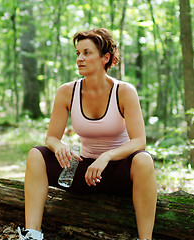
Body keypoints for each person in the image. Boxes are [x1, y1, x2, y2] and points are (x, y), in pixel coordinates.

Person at [18, 28, 157, 240]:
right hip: (85, 173)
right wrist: (59, 146)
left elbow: (139, 141)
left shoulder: (124, 91)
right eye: (77, 53)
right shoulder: (67, 91)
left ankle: (145, 238)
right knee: (36, 154)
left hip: (117, 173)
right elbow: (51, 138)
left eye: (87, 53)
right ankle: (32, 234)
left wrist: (107, 156)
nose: (80, 59)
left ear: (105, 58)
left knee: (144, 160)